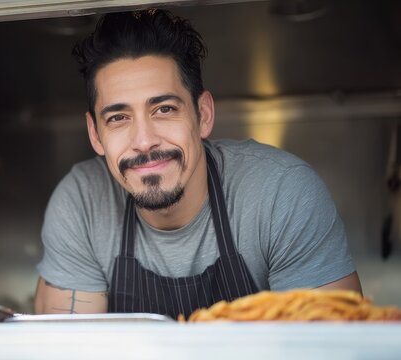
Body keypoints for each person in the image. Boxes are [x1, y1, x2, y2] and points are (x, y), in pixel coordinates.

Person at [34, 9, 361, 319]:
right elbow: (71, 348)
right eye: (118, 118)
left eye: (164, 109)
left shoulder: (282, 193)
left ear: (202, 115)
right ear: (95, 134)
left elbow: (331, 347)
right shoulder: (82, 205)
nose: (144, 140)